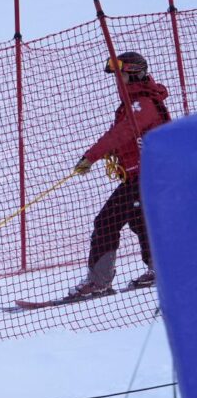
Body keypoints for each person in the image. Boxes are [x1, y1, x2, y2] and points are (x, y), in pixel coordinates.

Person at [67, 51, 171, 299]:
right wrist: (103, 153)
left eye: (121, 74)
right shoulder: (134, 103)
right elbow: (121, 138)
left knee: (106, 222)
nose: (118, 80)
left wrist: (91, 157)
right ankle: (162, 269)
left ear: (133, 74)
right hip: (141, 177)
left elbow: (121, 134)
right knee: (140, 221)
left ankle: (99, 281)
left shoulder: (141, 104)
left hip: (148, 177)